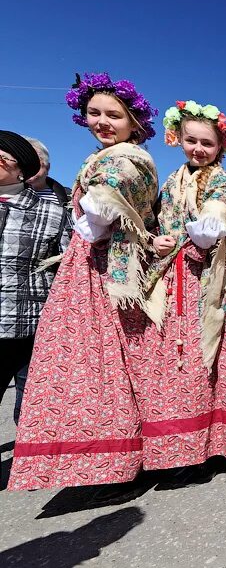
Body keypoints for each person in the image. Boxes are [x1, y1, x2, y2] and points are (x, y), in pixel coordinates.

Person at [10, 72, 159, 490]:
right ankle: (106, 457)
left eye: (114, 115)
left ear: (134, 122)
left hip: (104, 265)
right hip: (93, 262)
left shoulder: (125, 158)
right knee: (100, 360)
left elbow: (107, 204)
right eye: (95, 113)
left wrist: (93, 210)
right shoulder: (109, 156)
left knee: (102, 359)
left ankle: (115, 462)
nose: (103, 122)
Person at [139, 100, 226, 477]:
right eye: (192, 141)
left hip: (213, 277)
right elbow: (156, 223)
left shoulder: (222, 179)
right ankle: (189, 446)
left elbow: (217, 208)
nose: (198, 149)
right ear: (178, 139)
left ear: (220, 147)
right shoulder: (171, 181)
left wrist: (209, 226)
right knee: (182, 362)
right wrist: (156, 241)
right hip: (176, 275)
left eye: (207, 143)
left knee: (221, 355)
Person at [0, 131, 70, 424]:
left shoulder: (52, 212)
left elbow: (68, 268)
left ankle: (25, 450)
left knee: (29, 406)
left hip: (27, 323)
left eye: (1, 159)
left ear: (21, 168)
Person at [22, 136, 71, 208]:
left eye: (35, 159)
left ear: (47, 167)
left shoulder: (70, 196)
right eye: (23, 160)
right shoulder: (7, 192)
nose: (28, 165)